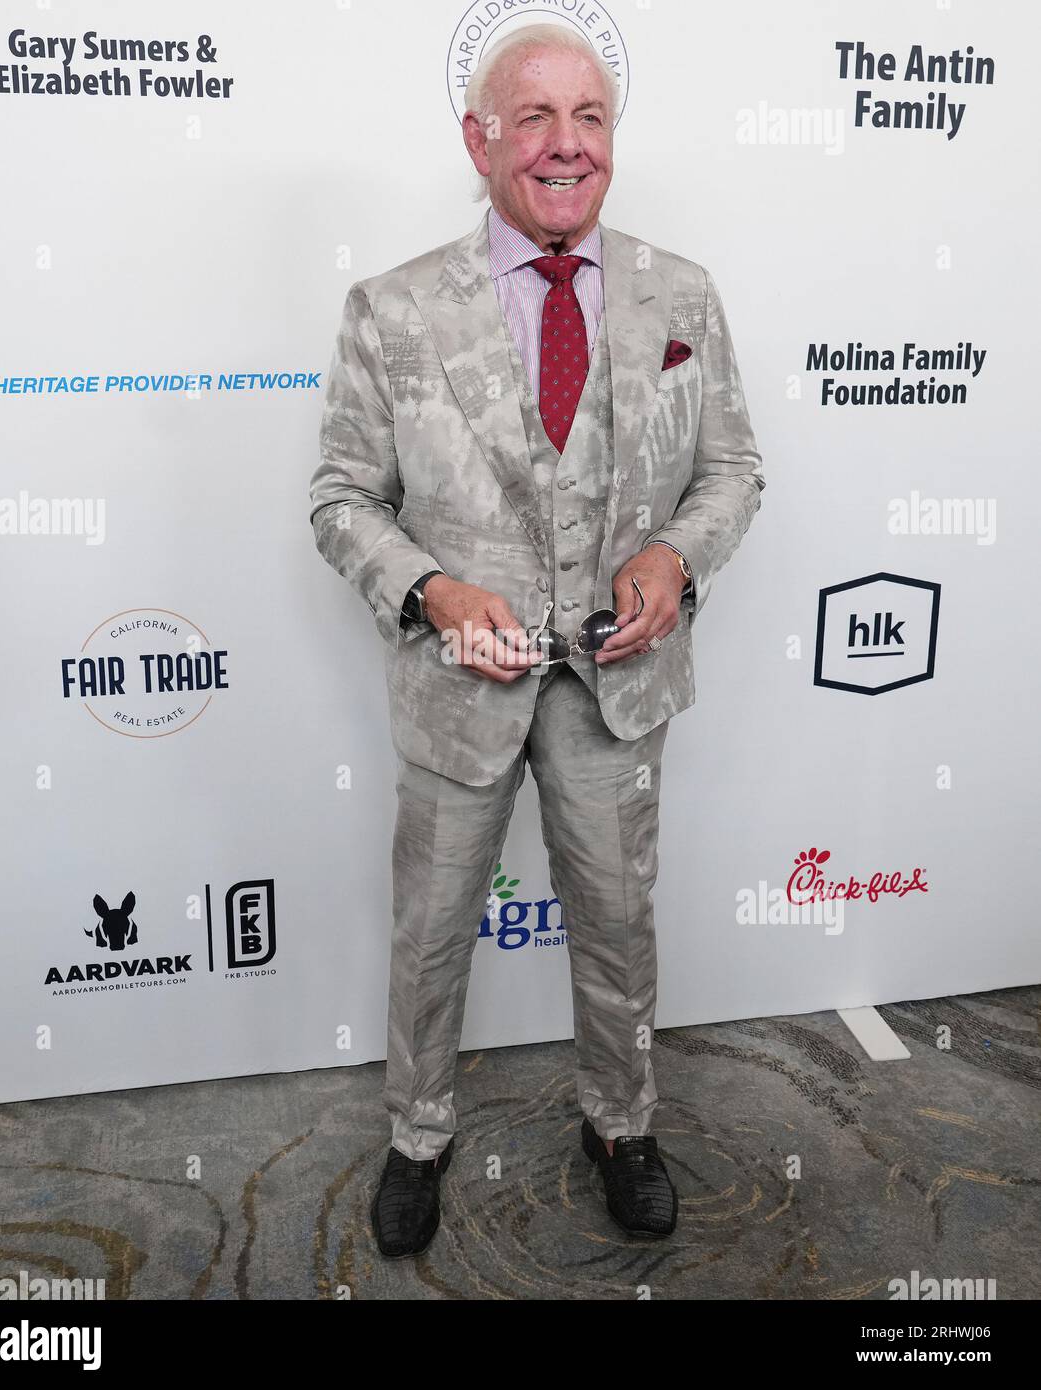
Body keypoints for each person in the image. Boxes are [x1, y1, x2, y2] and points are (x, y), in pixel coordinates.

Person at [309, 21, 765, 1258]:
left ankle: (620, 1123)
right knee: (432, 926)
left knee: (619, 922)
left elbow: (730, 471)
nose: (566, 146)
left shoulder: (683, 294)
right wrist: (436, 593)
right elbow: (341, 499)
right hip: (461, 692)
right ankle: (417, 1132)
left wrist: (673, 558)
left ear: (611, 138)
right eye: (533, 119)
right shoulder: (390, 308)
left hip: (617, 688)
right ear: (478, 138)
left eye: (590, 119)